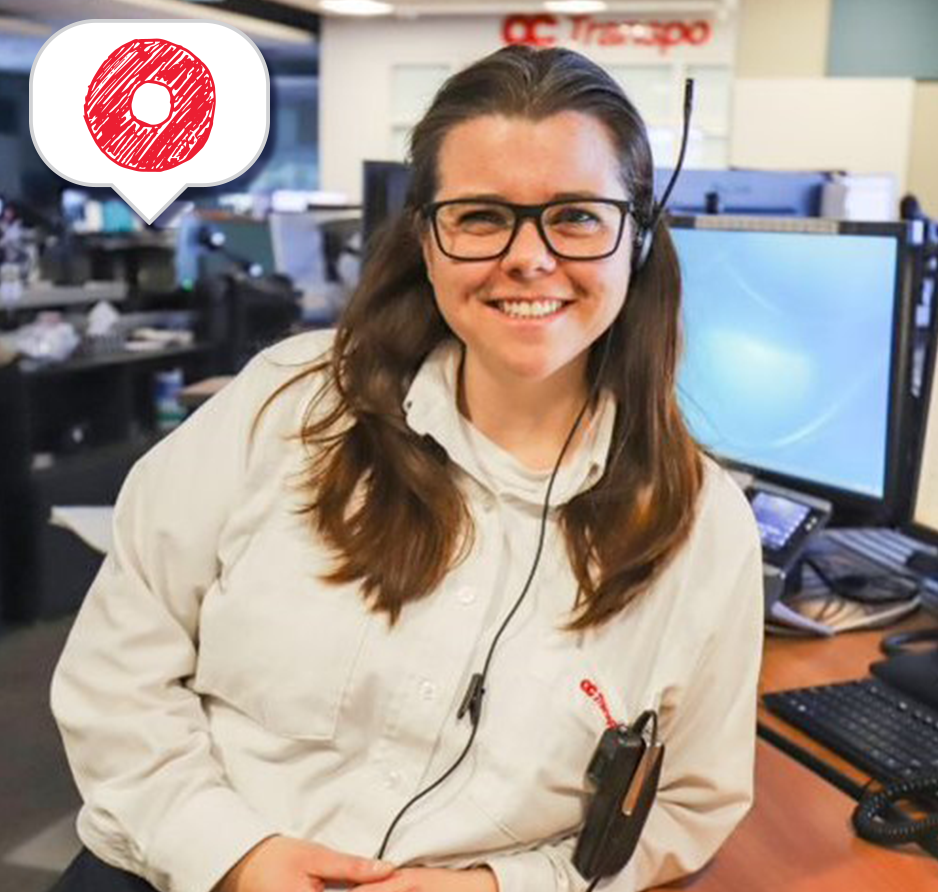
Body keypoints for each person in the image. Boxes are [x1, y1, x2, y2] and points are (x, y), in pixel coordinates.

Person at [50, 45, 764, 892]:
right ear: (426, 240)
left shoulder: (699, 527)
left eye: (575, 215)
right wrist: (235, 855)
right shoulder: (290, 404)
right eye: (480, 217)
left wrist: (497, 888)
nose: (529, 257)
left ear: (636, 241)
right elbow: (117, 670)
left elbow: (686, 805)